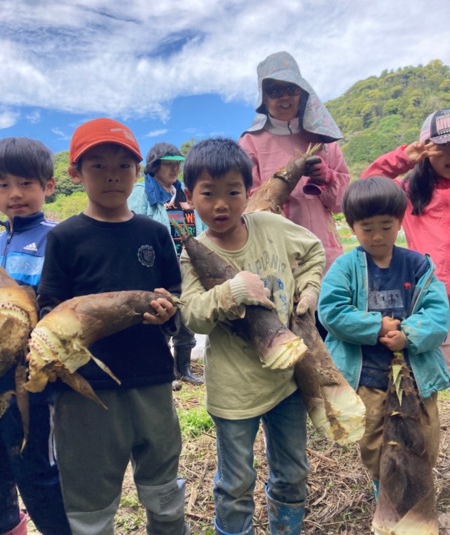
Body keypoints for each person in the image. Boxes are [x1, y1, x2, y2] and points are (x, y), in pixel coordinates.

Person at [37, 118, 190, 535]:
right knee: (89, 496)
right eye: (98, 166)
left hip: (150, 379)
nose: (112, 176)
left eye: (123, 166)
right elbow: (49, 305)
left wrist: (167, 315)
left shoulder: (154, 233)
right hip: (85, 390)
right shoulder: (66, 238)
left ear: (137, 172)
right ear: (75, 174)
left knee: (163, 484)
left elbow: (175, 298)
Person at [179, 138, 325, 534]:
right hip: (234, 392)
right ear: (190, 196)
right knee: (235, 482)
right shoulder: (192, 253)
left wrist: (310, 289)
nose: (221, 204)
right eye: (208, 194)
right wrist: (232, 292)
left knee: (293, 471)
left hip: (287, 382)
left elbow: (313, 251)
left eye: (233, 192)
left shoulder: (271, 226)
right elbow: (193, 316)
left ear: (249, 190)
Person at [318, 176, 450, 502]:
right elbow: (331, 312)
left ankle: (416, 488)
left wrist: (408, 334)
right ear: (351, 226)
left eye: (386, 226)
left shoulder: (419, 265)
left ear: (400, 221)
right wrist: (375, 326)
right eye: (367, 228)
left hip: (415, 375)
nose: (377, 236)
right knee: (374, 437)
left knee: (424, 434)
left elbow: (438, 313)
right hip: (368, 376)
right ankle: (385, 489)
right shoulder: (345, 267)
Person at [0, 138, 71, 535]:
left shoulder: (57, 237)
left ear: (48, 185)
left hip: (33, 381)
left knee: (38, 470)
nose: (14, 194)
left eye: (25, 183)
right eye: (3, 184)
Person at [239, 50, 350, 275]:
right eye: (275, 90)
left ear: (302, 92)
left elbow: (342, 203)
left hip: (324, 251)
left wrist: (327, 177)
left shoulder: (324, 139)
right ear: (263, 97)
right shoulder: (250, 142)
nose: (284, 97)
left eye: (291, 88)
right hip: (276, 254)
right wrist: (277, 191)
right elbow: (245, 206)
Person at [361, 108, 450, 367]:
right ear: (426, 150)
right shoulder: (411, 190)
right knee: (434, 367)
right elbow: (367, 186)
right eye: (441, 146)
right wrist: (404, 158)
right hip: (431, 294)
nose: (449, 154)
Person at [128, 142, 204, 386]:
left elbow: (200, 227)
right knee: (161, 315)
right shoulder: (141, 193)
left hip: (188, 265)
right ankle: (167, 371)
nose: (174, 168)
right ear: (154, 166)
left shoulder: (184, 192)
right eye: (168, 163)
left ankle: (183, 369)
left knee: (187, 318)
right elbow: (134, 230)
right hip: (158, 269)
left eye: (177, 163)